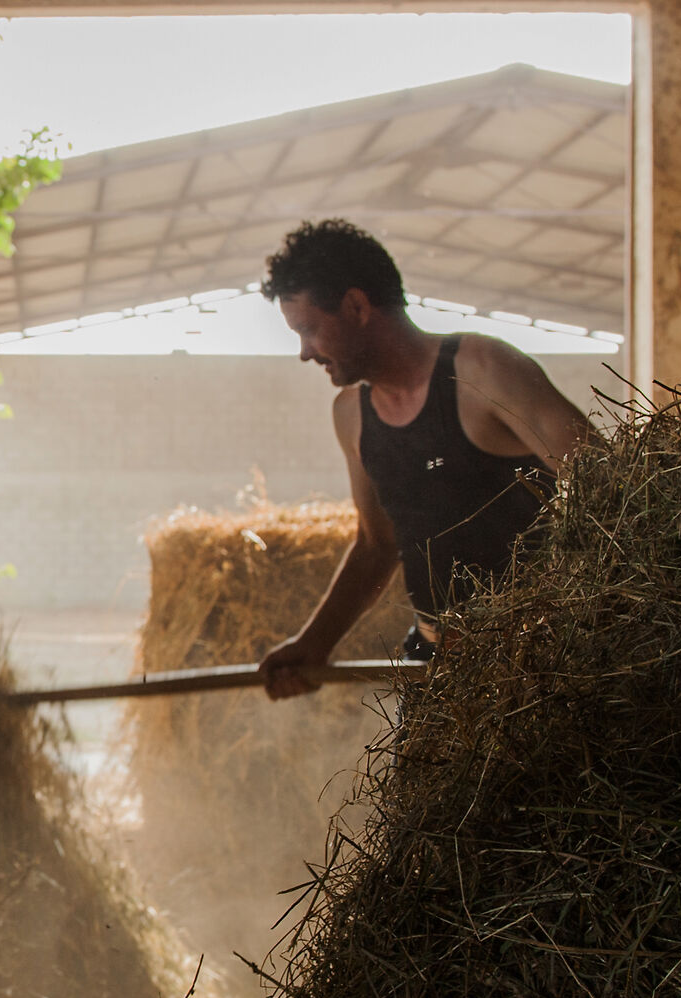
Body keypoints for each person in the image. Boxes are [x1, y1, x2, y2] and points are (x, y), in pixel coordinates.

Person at [255, 219, 594, 699]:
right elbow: (377, 545)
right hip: (436, 667)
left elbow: (609, 485)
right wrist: (314, 643)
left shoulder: (483, 371)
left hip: (541, 668)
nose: (304, 353)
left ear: (356, 306)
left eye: (309, 330)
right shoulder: (351, 415)